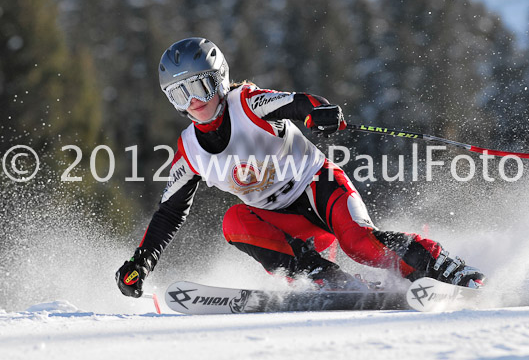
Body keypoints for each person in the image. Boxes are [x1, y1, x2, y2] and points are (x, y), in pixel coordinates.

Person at [116, 37, 485, 298]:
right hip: (286, 225)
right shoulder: (190, 150)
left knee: (359, 244)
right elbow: (169, 213)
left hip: (319, 188)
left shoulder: (247, 103)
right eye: (180, 94)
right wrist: (142, 262)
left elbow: (298, 103)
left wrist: (317, 113)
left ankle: (436, 263)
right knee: (234, 222)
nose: (194, 102)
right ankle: (326, 278)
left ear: (220, 81)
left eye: (200, 87)